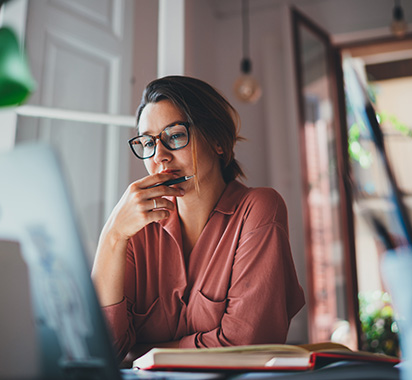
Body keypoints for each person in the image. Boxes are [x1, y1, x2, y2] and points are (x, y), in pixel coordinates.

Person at [91, 76, 305, 363]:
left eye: (175, 135)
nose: (160, 157)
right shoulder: (135, 229)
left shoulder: (258, 209)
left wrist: (142, 353)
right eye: (148, 143)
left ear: (217, 141)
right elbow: (100, 351)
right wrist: (112, 236)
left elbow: (246, 344)